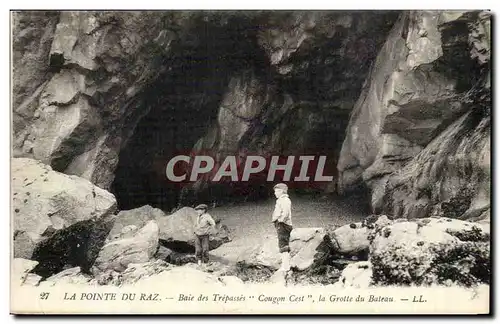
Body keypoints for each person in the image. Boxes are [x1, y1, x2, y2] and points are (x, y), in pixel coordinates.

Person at [271, 183, 293, 272]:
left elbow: (286, 212)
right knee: (282, 244)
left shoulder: (284, 200)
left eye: (277, 191)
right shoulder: (281, 200)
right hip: (281, 224)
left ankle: (285, 266)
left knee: (283, 245)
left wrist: (280, 220)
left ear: (282, 191)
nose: (275, 193)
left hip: (283, 225)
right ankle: (285, 265)